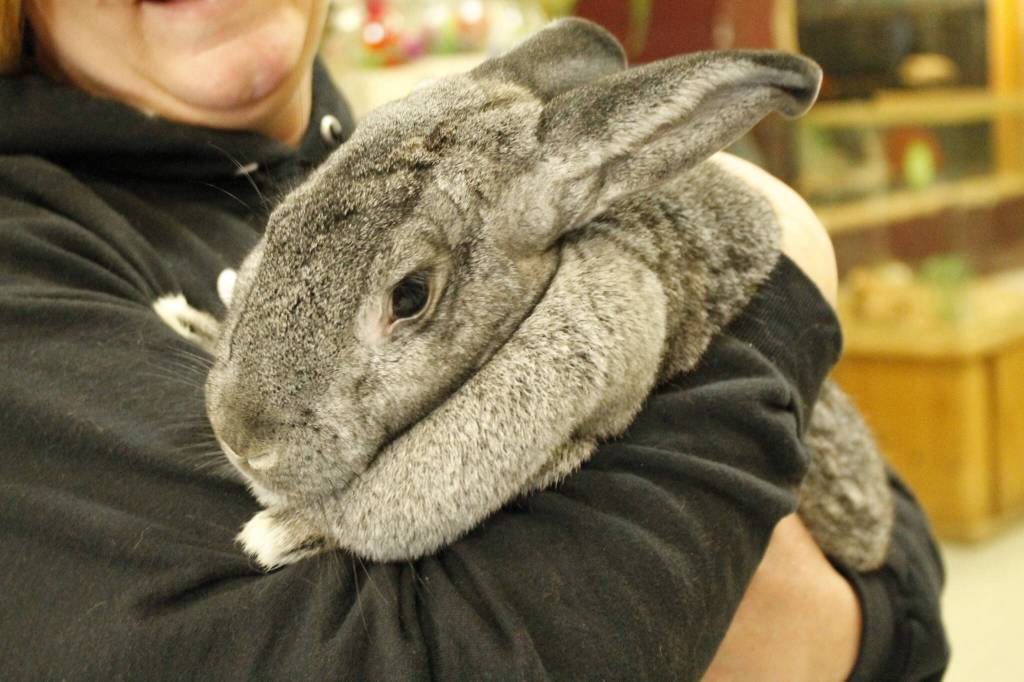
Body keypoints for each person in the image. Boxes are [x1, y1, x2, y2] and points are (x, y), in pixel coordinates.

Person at [0, 1, 948, 680]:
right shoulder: (30, 256)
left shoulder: (421, 170)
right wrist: (785, 283)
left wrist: (861, 626)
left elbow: (901, 577)